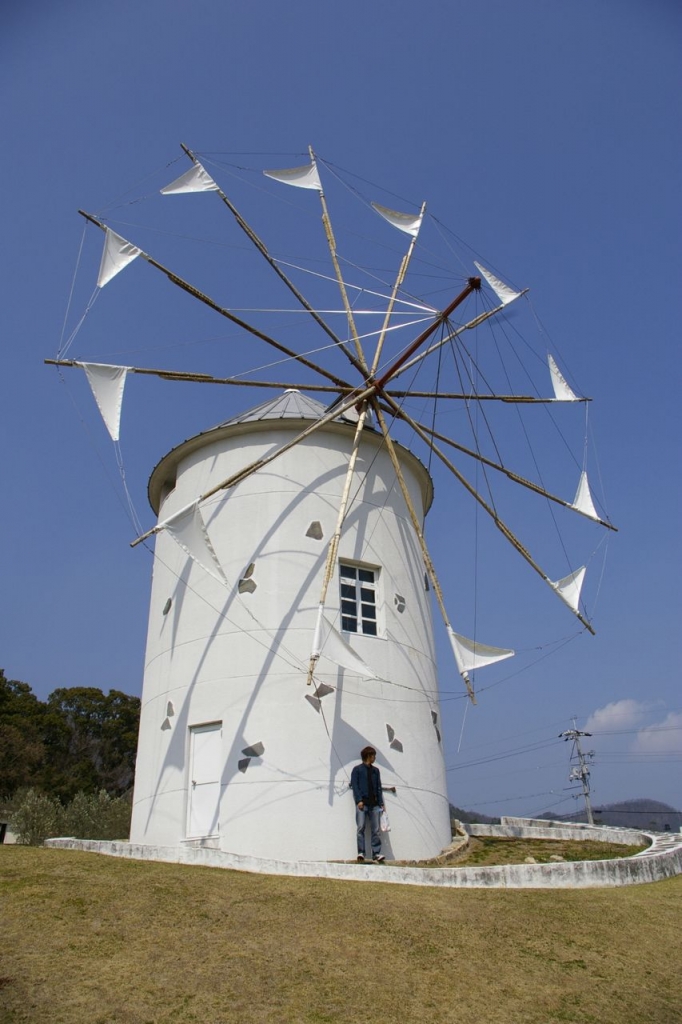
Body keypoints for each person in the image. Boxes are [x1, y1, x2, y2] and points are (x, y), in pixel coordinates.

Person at [350, 746, 385, 863]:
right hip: (362, 803)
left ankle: (376, 853)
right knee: (361, 828)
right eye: (373, 755)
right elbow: (355, 786)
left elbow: (379, 787)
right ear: (368, 756)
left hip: (374, 804)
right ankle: (361, 852)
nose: (374, 758)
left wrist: (381, 803)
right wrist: (359, 800)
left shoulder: (376, 771)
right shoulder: (357, 770)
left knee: (376, 830)